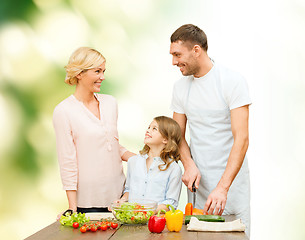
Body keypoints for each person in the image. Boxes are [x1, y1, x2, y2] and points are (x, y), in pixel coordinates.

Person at [169, 24, 251, 235]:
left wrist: (223, 188)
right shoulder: (180, 87)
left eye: (178, 54)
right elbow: (177, 134)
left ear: (197, 50)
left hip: (231, 186)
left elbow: (241, 139)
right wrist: (188, 164)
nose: (174, 62)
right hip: (198, 186)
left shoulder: (232, 81)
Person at [53, 47, 134, 217]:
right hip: (88, 202)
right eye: (97, 71)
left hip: (120, 199)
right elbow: (67, 160)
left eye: (103, 71)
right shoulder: (64, 111)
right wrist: (72, 207)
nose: (102, 77)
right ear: (79, 74)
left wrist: (142, 159)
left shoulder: (110, 103)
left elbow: (109, 144)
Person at [120, 116, 182, 212]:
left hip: (157, 222)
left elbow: (171, 203)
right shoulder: (133, 161)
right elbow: (128, 191)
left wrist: (146, 211)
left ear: (165, 139)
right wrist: (122, 201)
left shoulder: (174, 168)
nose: (148, 131)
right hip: (132, 220)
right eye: (148, 127)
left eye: (154, 129)